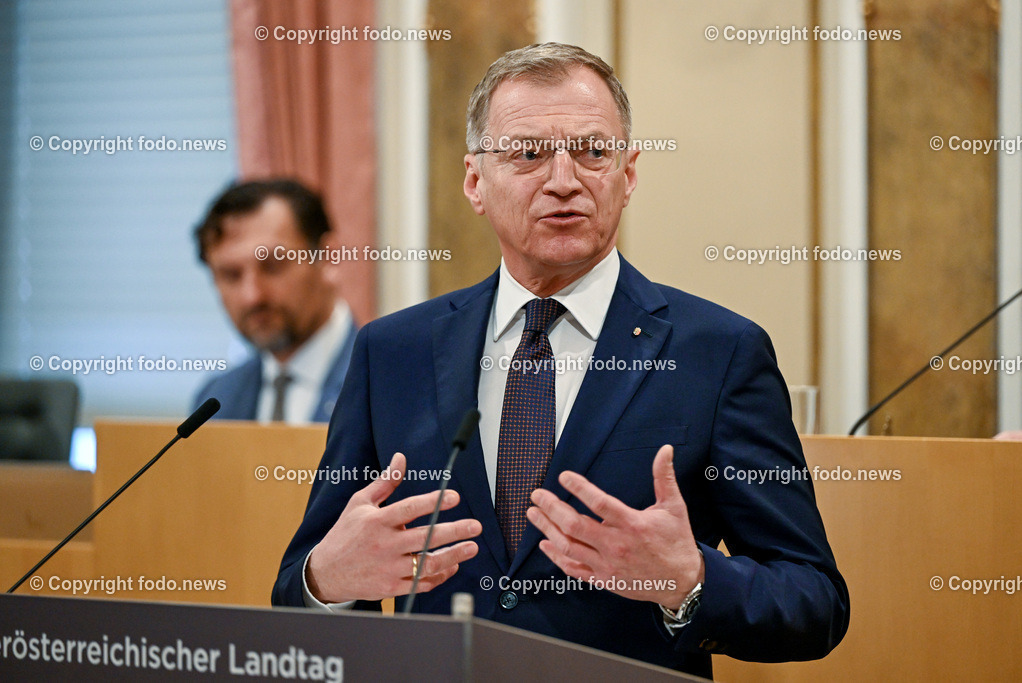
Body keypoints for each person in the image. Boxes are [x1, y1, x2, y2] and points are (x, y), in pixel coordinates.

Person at [272, 44, 848, 676]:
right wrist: (326, 582)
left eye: (593, 151)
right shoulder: (394, 352)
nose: (565, 180)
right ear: (474, 182)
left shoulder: (718, 352)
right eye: (528, 154)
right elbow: (302, 587)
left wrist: (689, 581)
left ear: (627, 177)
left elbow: (813, 602)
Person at [193, 179, 357, 423]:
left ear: (329, 258)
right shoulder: (216, 400)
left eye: (273, 266)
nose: (252, 296)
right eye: (230, 274)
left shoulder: (390, 385)